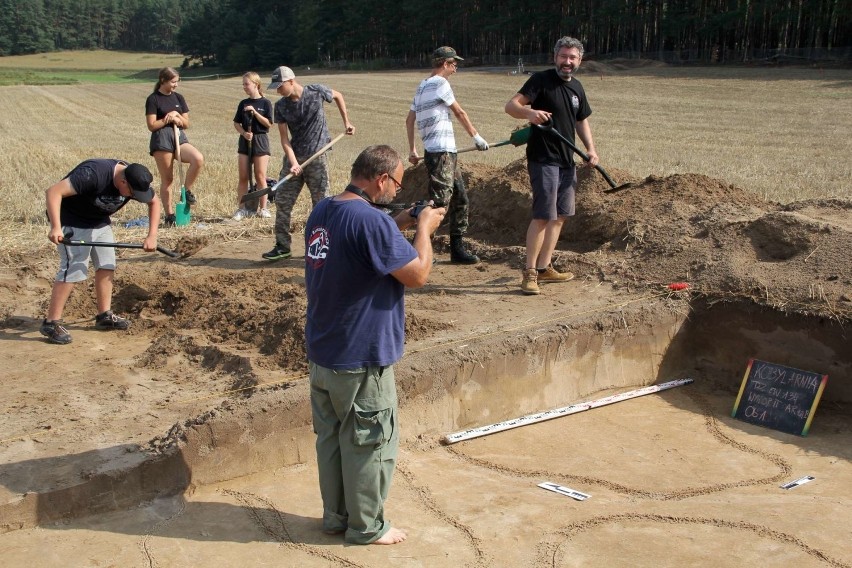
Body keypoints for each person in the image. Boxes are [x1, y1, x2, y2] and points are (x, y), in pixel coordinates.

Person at [304, 145, 446, 545]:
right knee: (370, 445)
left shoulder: (325, 210)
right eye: (396, 182)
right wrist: (423, 229)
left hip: (324, 352)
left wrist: (397, 220)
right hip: (361, 356)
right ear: (382, 179)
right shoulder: (372, 223)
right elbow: (417, 275)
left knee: (331, 441)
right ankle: (367, 527)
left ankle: (336, 518)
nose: (396, 189)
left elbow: (362, 241)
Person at [504, 36, 599, 295]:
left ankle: (545, 268)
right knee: (544, 216)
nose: (567, 62)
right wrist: (530, 114)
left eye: (572, 58)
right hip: (543, 158)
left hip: (567, 160)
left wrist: (590, 149)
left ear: (579, 60)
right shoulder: (540, 81)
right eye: (563, 56)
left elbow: (581, 121)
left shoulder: (577, 87)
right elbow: (511, 106)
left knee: (560, 217)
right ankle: (530, 272)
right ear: (555, 56)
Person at [41, 160, 161, 345]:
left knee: (107, 263)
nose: (134, 197)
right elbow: (53, 192)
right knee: (74, 267)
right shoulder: (93, 174)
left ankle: (104, 315)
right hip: (71, 220)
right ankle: (51, 323)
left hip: (98, 221)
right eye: (132, 194)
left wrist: (152, 235)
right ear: (122, 182)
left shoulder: (134, 180)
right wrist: (56, 227)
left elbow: (154, 202)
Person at [406, 46, 489, 265]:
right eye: (454, 64)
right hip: (441, 151)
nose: (456, 69)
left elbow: (409, 120)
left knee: (460, 198)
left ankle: (457, 249)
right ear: (444, 63)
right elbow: (459, 112)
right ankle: (418, 251)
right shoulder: (440, 83)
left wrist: (413, 150)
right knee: (439, 203)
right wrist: (476, 137)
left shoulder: (422, 86)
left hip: (440, 152)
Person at [262, 66, 355, 260]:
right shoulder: (281, 106)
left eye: (280, 86)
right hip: (294, 158)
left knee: (321, 205)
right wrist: (293, 162)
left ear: (291, 81)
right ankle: (282, 246)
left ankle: (324, 247)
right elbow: (284, 139)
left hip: (317, 157)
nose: (278, 90)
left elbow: (338, 96)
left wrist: (346, 122)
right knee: (282, 201)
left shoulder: (316, 92)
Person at [145, 67, 204, 227]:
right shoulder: (153, 99)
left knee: (197, 159)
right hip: (161, 140)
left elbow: (187, 123)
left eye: (177, 81)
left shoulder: (179, 98)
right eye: (173, 82)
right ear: (163, 81)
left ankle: (187, 190)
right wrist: (167, 119)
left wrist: (177, 117)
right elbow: (151, 125)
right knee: (168, 179)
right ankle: (170, 214)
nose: (176, 85)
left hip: (179, 137)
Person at [232, 71, 273, 219]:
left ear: (256, 84)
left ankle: (263, 208)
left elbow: (268, 124)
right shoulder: (243, 103)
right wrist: (244, 133)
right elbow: (236, 123)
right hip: (245, 141)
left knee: (260, 176)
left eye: (246, 84)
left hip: (260, 141)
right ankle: (241, 209)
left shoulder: (265, 103)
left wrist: (255, 113)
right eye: (243, 84)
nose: (244, 87)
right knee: (243, 176)